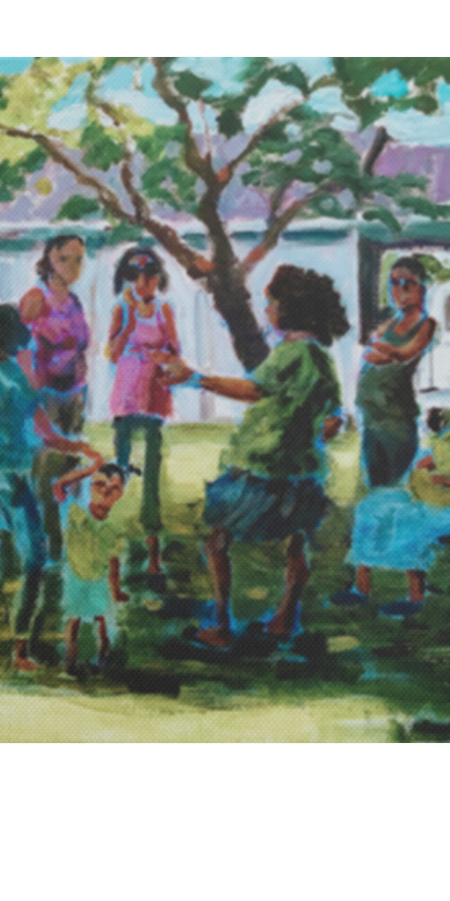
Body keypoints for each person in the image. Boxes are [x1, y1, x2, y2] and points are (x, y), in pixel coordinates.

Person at [159, 266, 348, 648]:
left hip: (263, 466)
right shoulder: (323, 358)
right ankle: (283, 618)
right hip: (304, 471)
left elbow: (254, 390)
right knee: (296, 546)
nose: (267, 309)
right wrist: (317, 430)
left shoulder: (291, 353)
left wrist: (196, 378)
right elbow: (334, 416)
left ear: (290, 309)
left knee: (218, 540)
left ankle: (223, 623)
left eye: (272, 303)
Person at [0, 305, 103, 672]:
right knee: (33, 556)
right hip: (5, 478)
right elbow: (45, 435)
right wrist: (78, 447)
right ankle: (14, 647)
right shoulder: (16, 379)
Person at [344, 349, 450, 617]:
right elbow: (439, 455)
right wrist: (430, 465)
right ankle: (361, 588)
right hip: (435, 494)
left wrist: (442, 479)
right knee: (373, 504)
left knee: (409, 517)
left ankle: (415, 597)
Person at [107, 247, 180, 579]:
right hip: (126, 398)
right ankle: (112, 548)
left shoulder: (164, 309)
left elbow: (175, 349)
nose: (143, 283)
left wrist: (166, 359)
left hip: (153, 398)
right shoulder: (122, 308)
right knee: (118, 471)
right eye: (136, 277)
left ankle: (153, 555)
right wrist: (131, 321)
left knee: (151, 478)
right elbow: (111, 352)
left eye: (149, 276)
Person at [20, 234, 91, 561]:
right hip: (46, 394)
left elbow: (81, 346)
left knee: (72, 469)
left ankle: (70, 541)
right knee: (46, 470)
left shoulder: (74, 302)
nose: (73, 267)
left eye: (78, 260)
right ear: (49, 258)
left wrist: (82, 382)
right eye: (65, 259)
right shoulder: (37, 298)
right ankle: (47, 545)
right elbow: (18, 345)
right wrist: (31, 387)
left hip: (74, 394)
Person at [355, 256, 438, 488]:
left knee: (395, 484)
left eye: (408, 283)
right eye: (394, 282)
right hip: (371, 416)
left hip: (396, 419)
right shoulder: (387, 324)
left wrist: (388, 352)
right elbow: (372, 355)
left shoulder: (425, 324)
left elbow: (405, 353)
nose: (400, 289)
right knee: (375, 483)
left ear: (421, 287)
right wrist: (384, 352)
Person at [51, 461, 135, 676]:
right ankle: (70, 663)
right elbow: (58, 486)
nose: (106, 490)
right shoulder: (74, 512)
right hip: (75, 576)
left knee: (102, 623)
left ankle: (102, 663)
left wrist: (115, 590)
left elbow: (114, 563)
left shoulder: (113, 530)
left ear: (120, 495)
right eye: (99, 484)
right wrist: (89, 470)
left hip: (99, 579)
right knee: (74, 620)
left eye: (114, 487)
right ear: (89, 486)